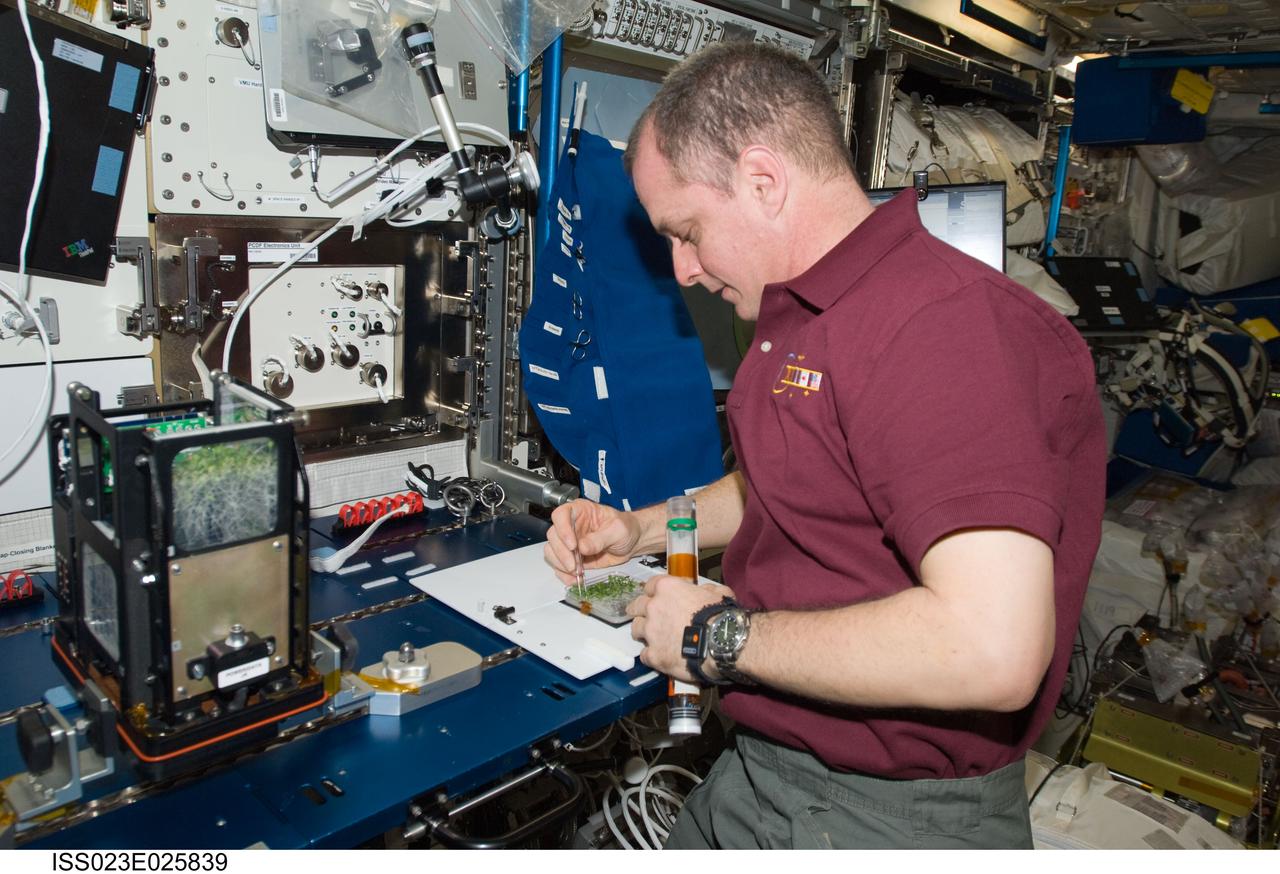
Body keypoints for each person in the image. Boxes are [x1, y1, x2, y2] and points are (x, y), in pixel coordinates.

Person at [543, 41, 1105, 849]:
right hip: (769, 767)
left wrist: (715, 637)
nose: (685, 269)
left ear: (765, 181)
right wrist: (642, 527)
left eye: (689, 231)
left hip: (886, 814)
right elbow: (784, 483)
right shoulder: (806, 318)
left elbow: (991, 648)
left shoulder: (939, 328)